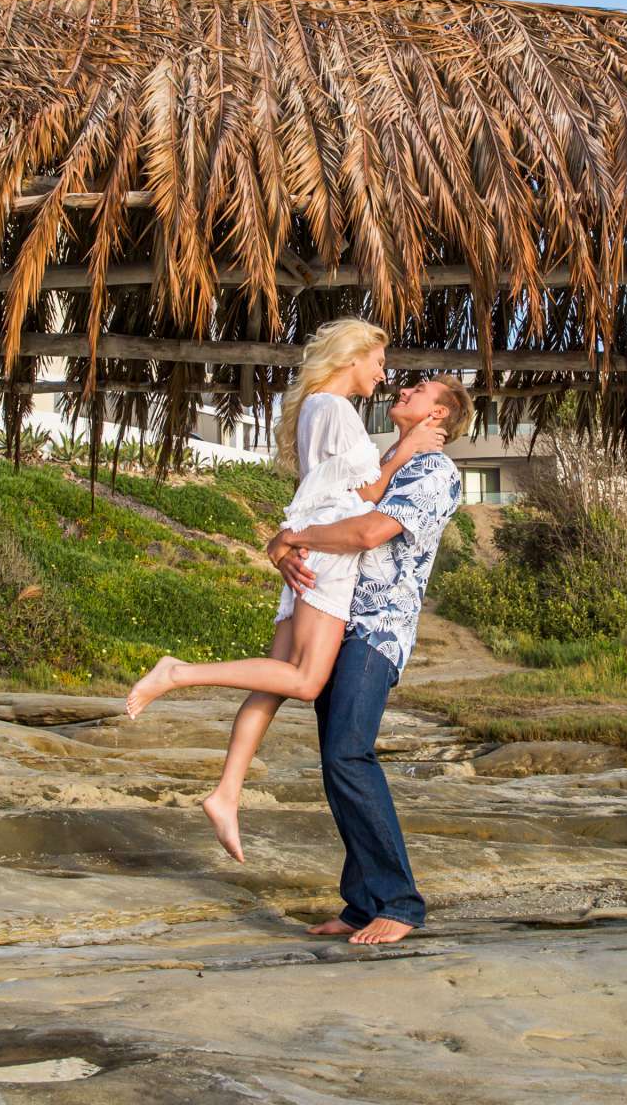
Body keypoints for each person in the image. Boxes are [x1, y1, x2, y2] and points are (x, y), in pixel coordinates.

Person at [123, 319, 454, 864]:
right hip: (327, 554)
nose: (385, 374)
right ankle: (177, 672)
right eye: (377, 362)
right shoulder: (337, 410)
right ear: (351, 358)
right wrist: (405, 448)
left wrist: (287, 541)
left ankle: (226, 793)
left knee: (272, 684)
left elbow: (335, 491)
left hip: (308, 546)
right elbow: (366, 494)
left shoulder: (315, 410)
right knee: (304, 680)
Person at [268, 373, 463, 945]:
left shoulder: (436, 472)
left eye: (422, 390)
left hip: (376, 633)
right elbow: (335, 512)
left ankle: (400, 902)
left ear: (440, 417)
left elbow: (369, 531)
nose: (403, 389)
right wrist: (286, 542)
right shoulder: (391, 462)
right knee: (337, 761)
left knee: (350, 755)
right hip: (336, 622)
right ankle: (361, 903)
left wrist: (297, 537)